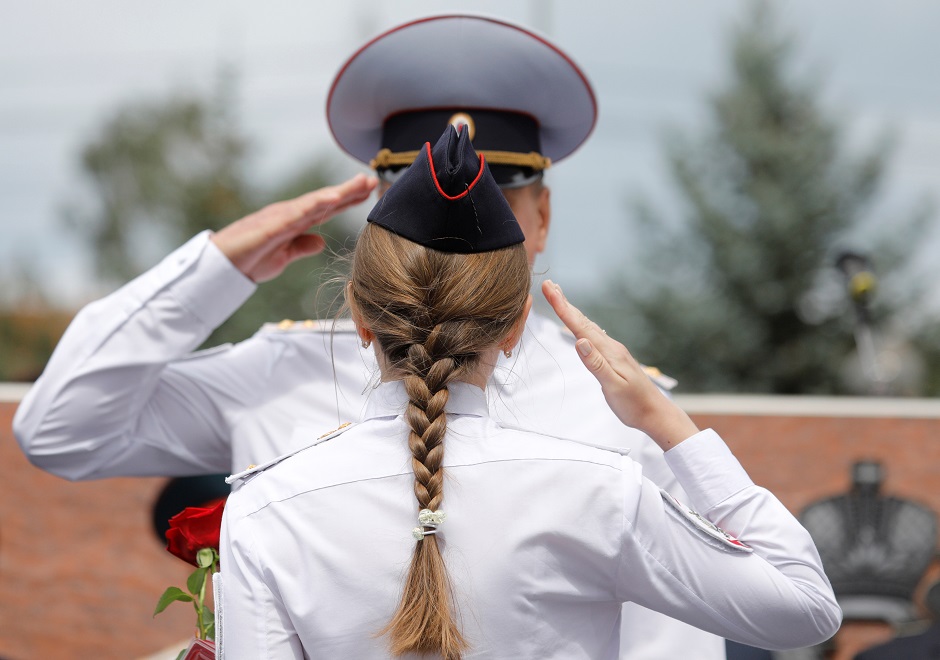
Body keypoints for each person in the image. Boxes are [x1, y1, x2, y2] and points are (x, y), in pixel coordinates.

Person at [15, 14, 721, 657]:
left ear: (541, 219)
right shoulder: (281, 368)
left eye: (497, 197)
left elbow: (670, 645)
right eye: (415, 200)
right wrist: (216, 267)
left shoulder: (620, 406)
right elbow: (59, 429)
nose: (460, 228)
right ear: (379, 218)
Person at [218, 125, 841, 659]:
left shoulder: (264, 507)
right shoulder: (599, 491)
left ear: (358, 315)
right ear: (518, 324)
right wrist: (662, 419)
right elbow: (806, 608)